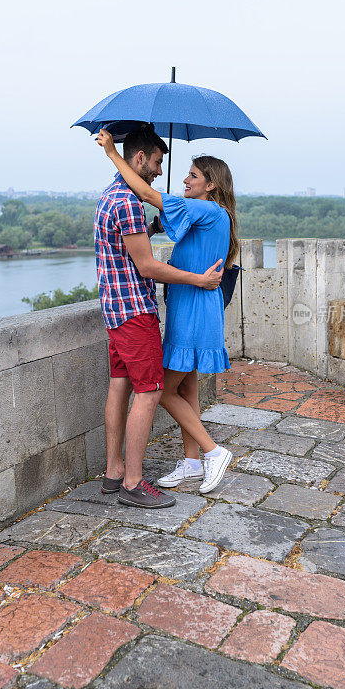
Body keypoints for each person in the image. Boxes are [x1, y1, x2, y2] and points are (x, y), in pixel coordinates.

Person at [97, 127, 237, 494]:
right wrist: (153, 225)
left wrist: (112, 153)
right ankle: (193, 462)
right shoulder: (206, 212)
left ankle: (213, 451)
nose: (181, 179)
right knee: (187, 386)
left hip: (192, 308)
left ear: (210, 185)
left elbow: (146, 193)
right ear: (142, 158)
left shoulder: (208, 209)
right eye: (162, 164)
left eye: (192, 175)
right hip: (183, 306)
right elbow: (168, 223)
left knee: (165, 388)